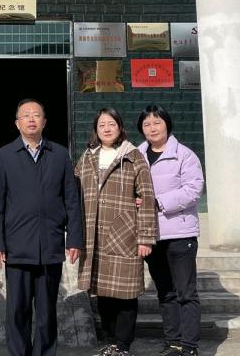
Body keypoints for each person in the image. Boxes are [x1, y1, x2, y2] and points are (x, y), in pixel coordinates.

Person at [0, 98, 84, 356]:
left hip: (50, 244)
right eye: (26, 115)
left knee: (46, 311)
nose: (31, 119)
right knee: (17, 310)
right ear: (17, 123)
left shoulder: (60, 155)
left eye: (36, 114)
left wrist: (74, 239)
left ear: (44, 121)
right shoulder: (4, 156)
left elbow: (71, 201)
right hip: (17, 246)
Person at [75, 107, 157, 356]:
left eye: (111, 124)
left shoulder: (133, 156)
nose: (107, 129)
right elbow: (72, 193)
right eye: (102, 125)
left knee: (125, 295)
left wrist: (145, 237)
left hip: (124, 235)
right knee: (103, 294)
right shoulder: (87, 157)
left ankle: (123, 345)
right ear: (96, 130)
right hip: (94, 237)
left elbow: (147, 197)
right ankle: (110, 341)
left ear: (120, 127)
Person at [137, 105, 205, 356]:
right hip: (151, 235)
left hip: (180, 234)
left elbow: (193, 189)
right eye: (147, 124)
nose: (152, 128)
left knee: (186, 292)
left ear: (167, 124)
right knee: (165, 292)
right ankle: (173, 342)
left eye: (157, 122)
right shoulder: (136, 155)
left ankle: (189, 346)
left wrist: (158, 202)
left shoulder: (184, 155)